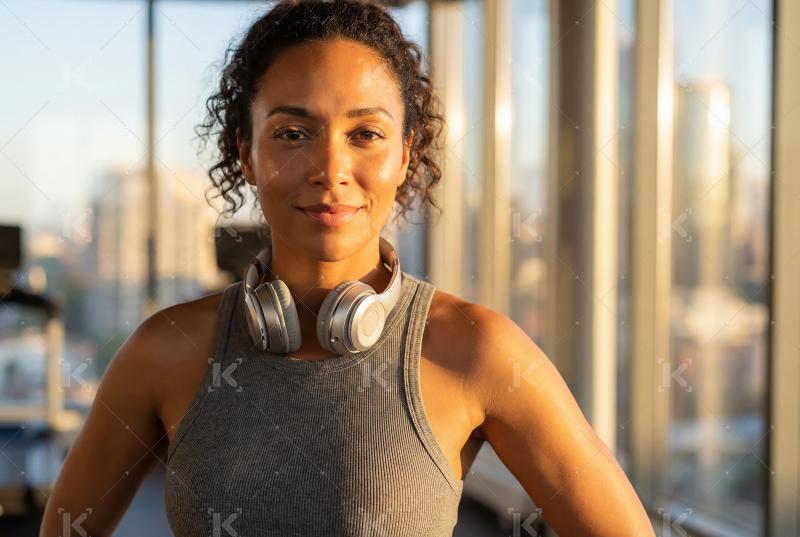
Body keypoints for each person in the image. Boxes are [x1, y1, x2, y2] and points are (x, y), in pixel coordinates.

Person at [39, 1, 655, 535]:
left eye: (365, 134)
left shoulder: (478, 351)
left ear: (406, 156)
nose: (330, 169)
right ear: (245, 155)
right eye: (292, 132)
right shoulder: (164, 351)